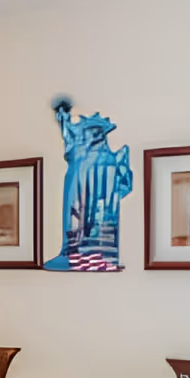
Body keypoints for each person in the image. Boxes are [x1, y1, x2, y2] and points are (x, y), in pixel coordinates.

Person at [43, 96, 131, 271]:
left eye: (95, 131)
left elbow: (125, 185)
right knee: (77, 223)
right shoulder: (80, 151)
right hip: (81, 200)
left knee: (93, 227)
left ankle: (97, 257)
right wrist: (63, 115)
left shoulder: (109, 157)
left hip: (101, 211)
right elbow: (67, 132)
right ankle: (79, 254)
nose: (90, 135)